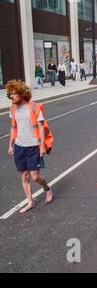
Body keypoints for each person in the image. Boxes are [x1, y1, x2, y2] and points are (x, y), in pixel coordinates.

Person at [6, 80, 53, 213]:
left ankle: (47, 188)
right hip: (20, 146)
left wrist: (42, 146)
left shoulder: (34, 107)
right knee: (24, 176)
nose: (12, 96)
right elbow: (13, 127)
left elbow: (41, 127)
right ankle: (30, 202)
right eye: (11, 94)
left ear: (21, 94)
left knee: (35, 177)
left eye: (14, 94)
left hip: (33, 146)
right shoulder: (13, 108)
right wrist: (11, 145)